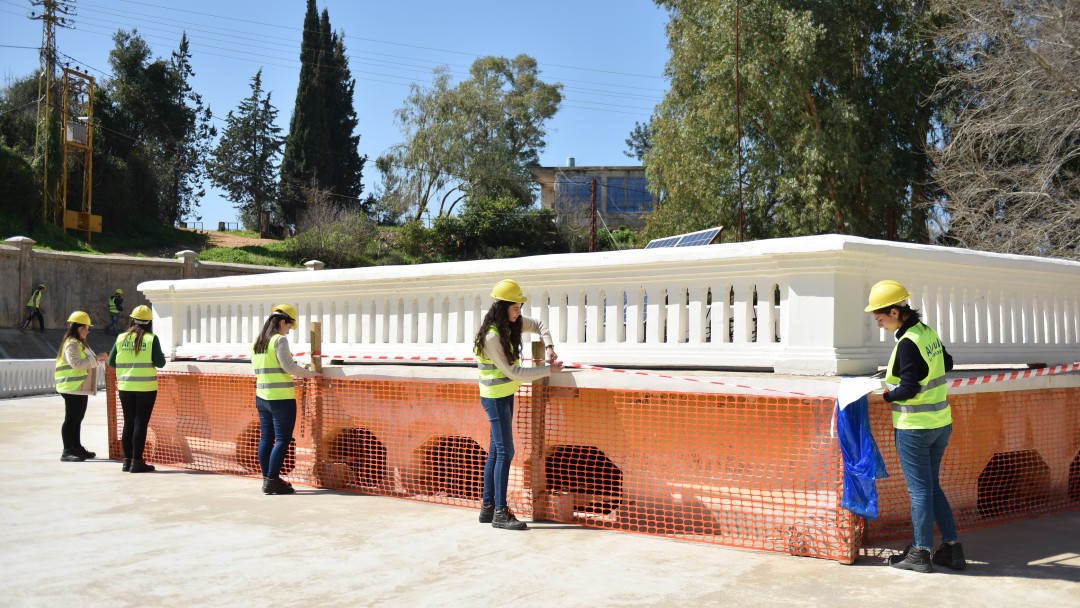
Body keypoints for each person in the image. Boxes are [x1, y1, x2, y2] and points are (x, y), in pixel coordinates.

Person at [866, 280, 966, 573]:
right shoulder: (926, 333)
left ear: (895, 312)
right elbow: (945, 363)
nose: (878, 322)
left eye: (880, 317)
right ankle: (952, 550)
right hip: (940, 423)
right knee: (932, 488)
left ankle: (920, 553)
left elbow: (908, 388)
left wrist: (885, 394)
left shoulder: (907, 342)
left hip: (915, 427)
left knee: (920, 491)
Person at [473, 279, 563, 530]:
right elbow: (513, 372)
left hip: (504, 396)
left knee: (495, 451)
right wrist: (548, 370)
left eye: (520, 308)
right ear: (502, 308)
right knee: (505, 452)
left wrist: (549, 346)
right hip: (495, 398)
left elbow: (540, 325)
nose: (519, 312)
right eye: (515, 308)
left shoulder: (510, 324)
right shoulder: (492, 336)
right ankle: (501, 513)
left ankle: (488, 508)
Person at [251, 304, 316, 495]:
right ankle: (272, 480)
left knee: (266, 439)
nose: (288, 331)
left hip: (262, 397)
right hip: (281, 399)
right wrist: (311, 374)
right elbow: (289, 368)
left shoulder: (257, 342)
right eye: (289, 326)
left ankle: (268, 478)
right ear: (281, 322)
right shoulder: (279, 341)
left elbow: (273, 367)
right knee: (282, 439)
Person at [107, 305, 167, 473]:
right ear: (149, 322)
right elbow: (160, 363)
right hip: (146, 388)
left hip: (125, 386)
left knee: (129, 422)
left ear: (132, 319)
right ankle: (137, 461)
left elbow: (112, 362)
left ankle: (127, 461)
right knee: (140, 423)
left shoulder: (120, 338)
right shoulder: (150, 339)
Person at [54, 311, 107, 462]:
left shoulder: (79, 343)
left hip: (79, 386)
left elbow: (87, 361)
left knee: (78, 417)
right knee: (71, 419)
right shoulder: (71, 343)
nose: (87, 330)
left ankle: (76, 447)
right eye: (85, 327)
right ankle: (67, 451)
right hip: (71, 386)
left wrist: (98, 358)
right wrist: (97, 358)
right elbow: (76, 365)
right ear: (76, 327)